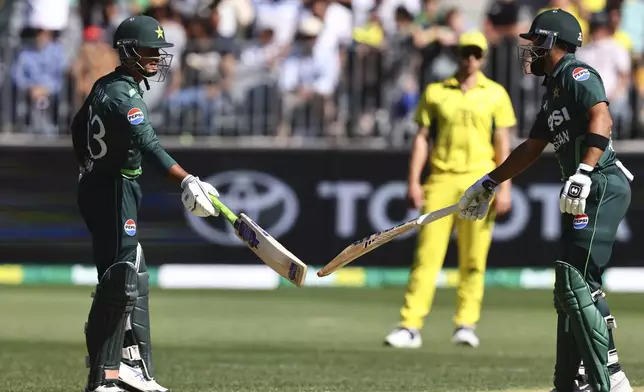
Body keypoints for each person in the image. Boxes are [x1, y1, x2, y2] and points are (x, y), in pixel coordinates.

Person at [458, 9, 634, 392]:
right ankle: (571, 380)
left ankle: (610, 377)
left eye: (536, 42)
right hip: (584, 187)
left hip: (600, 183)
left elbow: (601, 118)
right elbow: (531, 148)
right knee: (570, 285)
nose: (531, 50)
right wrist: (489, 182)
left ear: (555, 42)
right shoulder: (553, 90)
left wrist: (584, 172)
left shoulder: (575, 73)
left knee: (576, 283)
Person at [71, 15, 221, 392]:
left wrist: (88, 165)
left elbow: (77, 127)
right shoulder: (124, 96)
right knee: (120, 278)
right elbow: (150, 146)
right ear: (126, 51)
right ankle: (104, 376)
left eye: (159, 50)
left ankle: (131, 366)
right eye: (147, 50)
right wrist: (187, 179)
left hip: (103, 185)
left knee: (131, 273)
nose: (156, 56)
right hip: (114, 189)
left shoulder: (108, 85)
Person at [384, 30, 517, 349]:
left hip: (481, 180)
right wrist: (414, 180)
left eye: (476, 53)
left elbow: (503, 144)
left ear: (483, 57)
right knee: (427, 256)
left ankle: (466, 323)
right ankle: (410, 324)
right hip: (441, 179)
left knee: (474, 258)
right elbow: (421, 138)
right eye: (465, 52)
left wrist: (506, 187)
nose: (470, 59)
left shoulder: (496, 94)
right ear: (457, 54)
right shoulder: (435, 91)